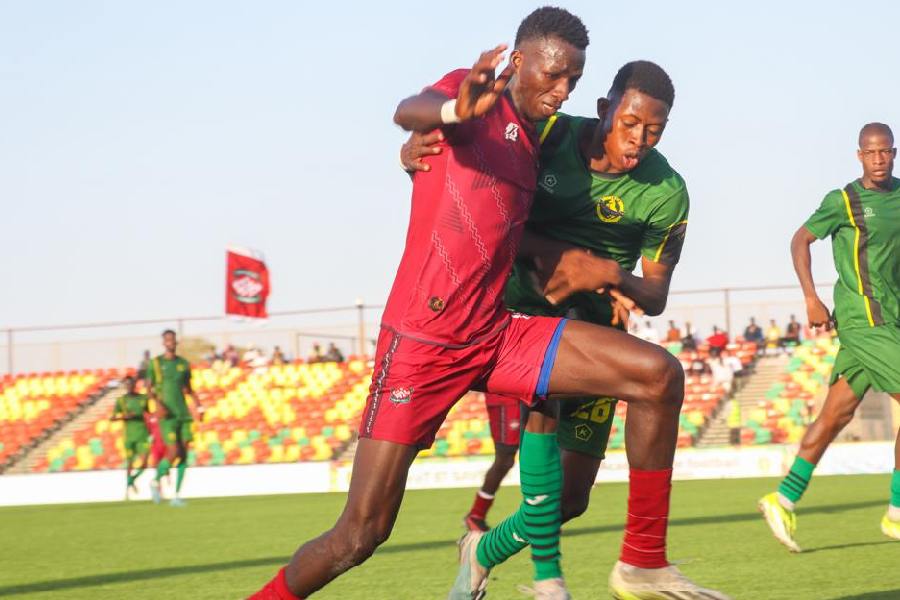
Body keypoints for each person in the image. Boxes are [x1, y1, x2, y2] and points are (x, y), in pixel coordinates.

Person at [251, 10, 725, 600]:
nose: (562, 91)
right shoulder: (474, 104)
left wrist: (595, 271)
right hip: (424, 341)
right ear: (517, 62)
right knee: (359, 535)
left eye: (572, 82)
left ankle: (643, 562)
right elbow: (411, 110)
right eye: (553, 76)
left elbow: (510, 223)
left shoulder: (537, 144)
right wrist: (449, 115)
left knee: (658, 375)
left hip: (499, 332)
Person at [402, 59, 726, 599]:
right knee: (549, 401)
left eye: (654, 129)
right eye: (630, 123)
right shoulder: (548, 134)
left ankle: (482, 550)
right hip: (521, 317)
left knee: (571, 501)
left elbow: (655, 296)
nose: (639, 138)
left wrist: (608, 274)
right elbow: (480, 193)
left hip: (599, 334)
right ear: (604, 110)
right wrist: (413, 154)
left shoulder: (667, 191)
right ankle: (573, 576)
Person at [759, 122, 900, 551]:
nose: (878, 159)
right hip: (862, 320)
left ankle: (783, 498)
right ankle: (897, 512)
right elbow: (800, 240)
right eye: (870, 152)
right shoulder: (843, 201)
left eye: (885, 151)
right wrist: (811, 298)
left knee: (835, 414)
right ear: (859, 155)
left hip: (891, 320)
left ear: (894, 152)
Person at [146, 329, 201, 507]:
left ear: (176, 341)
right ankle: (155, 481)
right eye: (167, 339)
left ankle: (176, 496)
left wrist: (199, 406)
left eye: (172, 339)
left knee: (184, 454)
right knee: (173, 450)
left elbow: (188, 388)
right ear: (163, 342)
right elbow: (148, 389)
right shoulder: (155, 364)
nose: (170, 342)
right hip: (167, 416)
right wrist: (158, 404)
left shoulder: (183, 364)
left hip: (183, 414)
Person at [463, 393, 520, 532]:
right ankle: (476, 514)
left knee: (540, 451)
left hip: (533, 395)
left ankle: (542, 515)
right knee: (505, 458)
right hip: (507, 397)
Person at [110, 375, 151, 499]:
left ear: (134, 385)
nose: (129, 386)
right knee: (130, 463)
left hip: (142, 435)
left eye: (131, 384)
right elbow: (112, 418)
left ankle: (132, 480)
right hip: (129, 436)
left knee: (145, 463)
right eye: (127, 384)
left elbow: (148, 414)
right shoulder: (121, 401)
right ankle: (127, 491)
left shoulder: (143, 398)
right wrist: (124, 417)